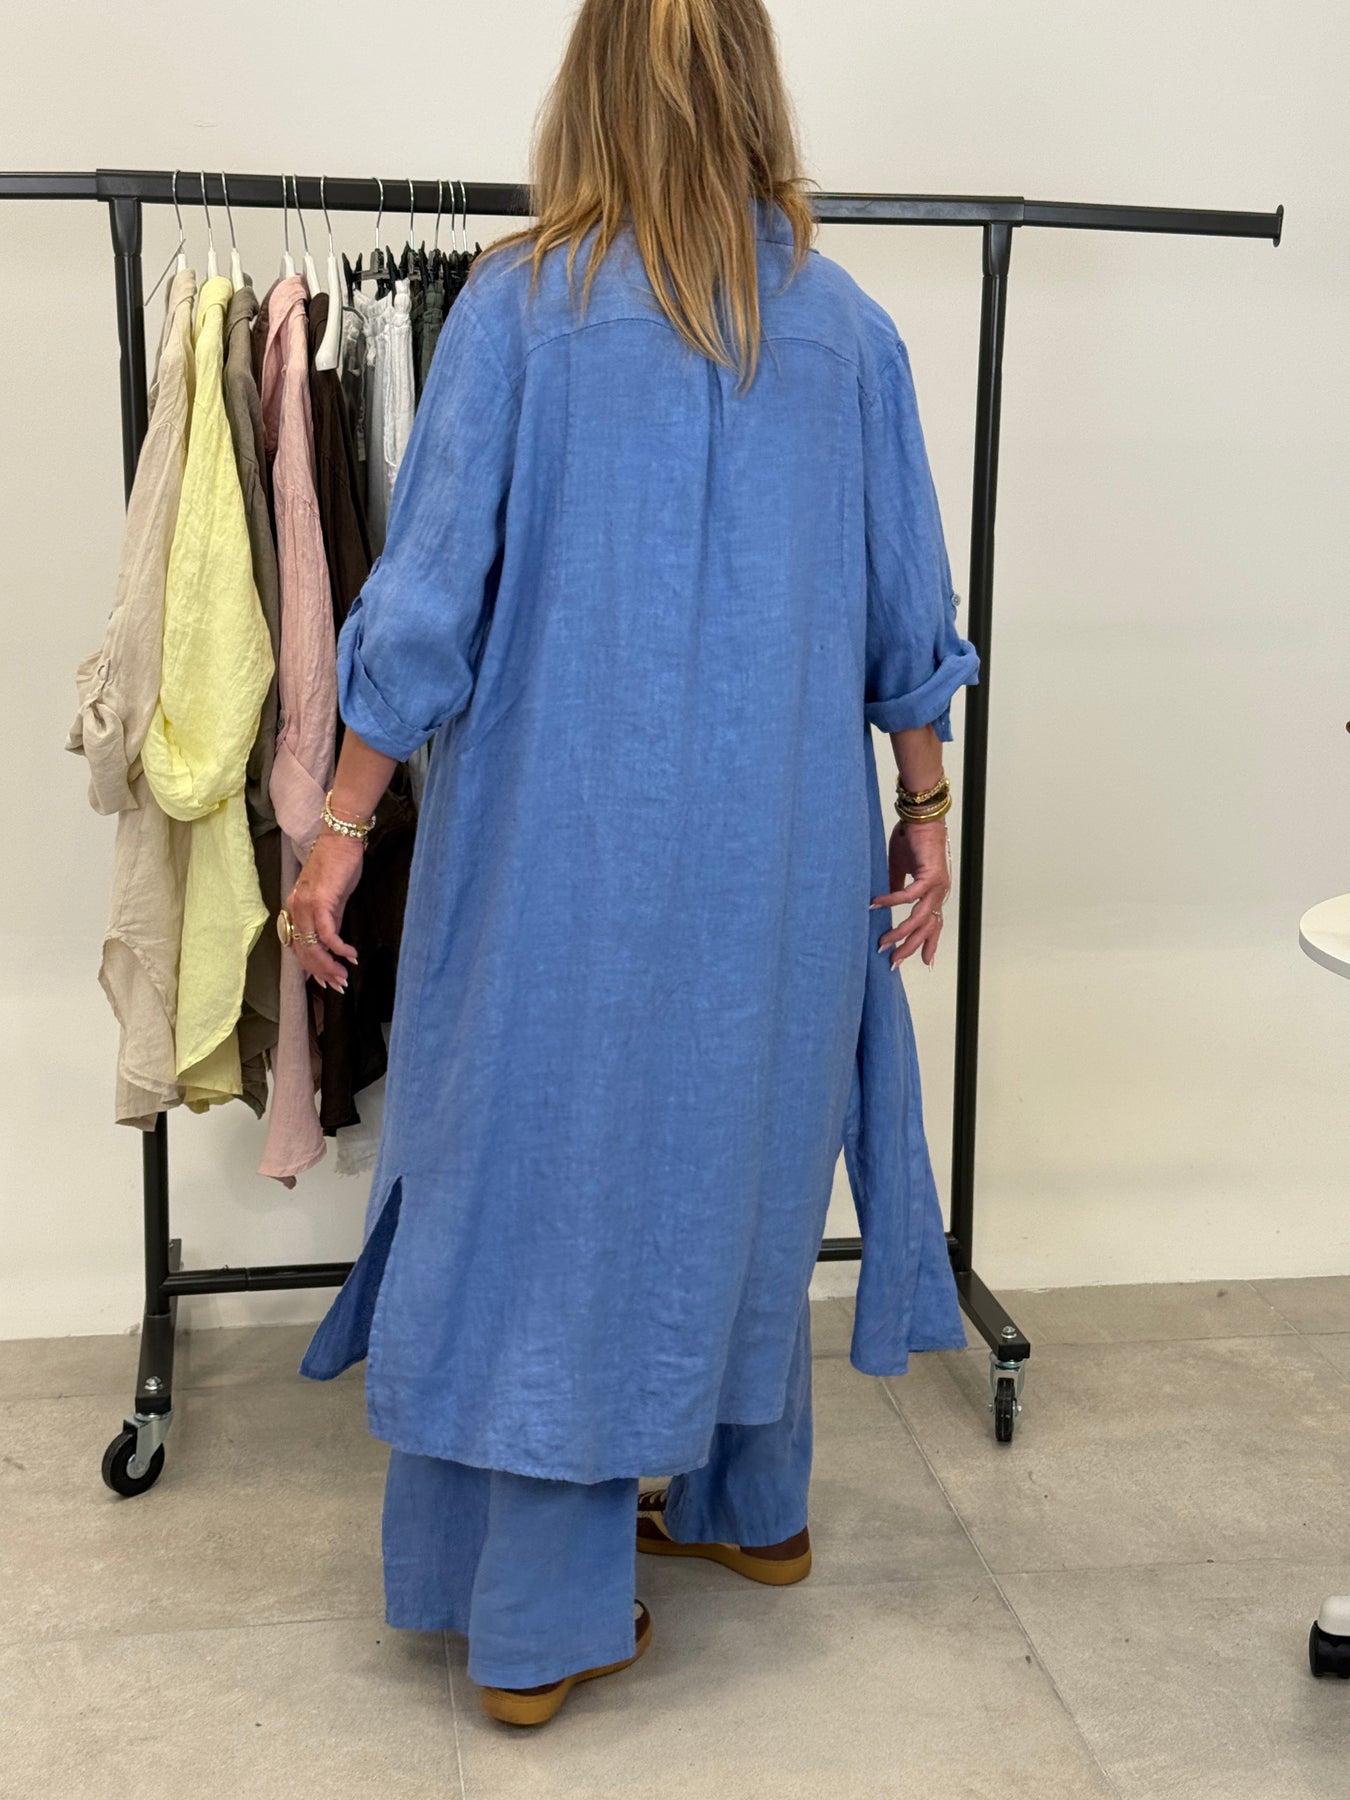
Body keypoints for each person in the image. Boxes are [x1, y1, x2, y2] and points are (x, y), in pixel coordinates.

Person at [285, 0, 980, 1728]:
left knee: (550, 1197)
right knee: (734, 1159)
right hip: (780, 863)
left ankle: (539, 1625)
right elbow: (908, 614)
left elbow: (424, 614)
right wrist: (924, 811)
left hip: (562, 865)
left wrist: (341, 830)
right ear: (755, 94)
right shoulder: (849, 333)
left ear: (586, 91)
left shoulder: (522, 312)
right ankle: (754, 1506)